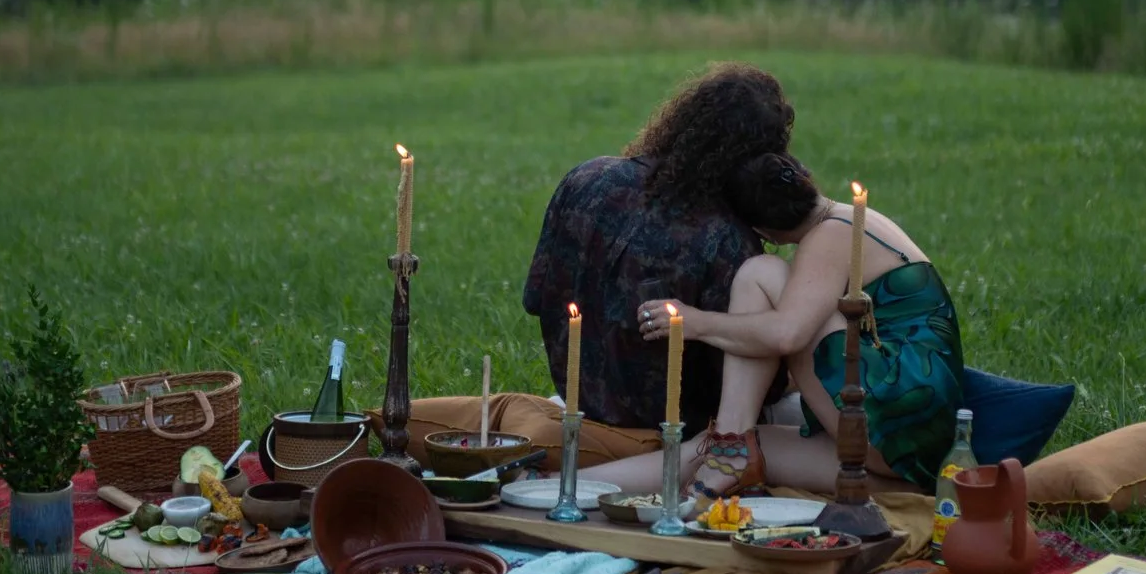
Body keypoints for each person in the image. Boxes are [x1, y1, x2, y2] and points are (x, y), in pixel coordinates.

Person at [404, 63, 795, 468]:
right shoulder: (729, 239)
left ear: (684, 120)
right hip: (673, 431)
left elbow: (535, 298)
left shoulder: (586, 178)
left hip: (579, 402)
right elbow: (747, 384)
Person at [585, 151, 965, 512]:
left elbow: (788, 334)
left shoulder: (831, 236)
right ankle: (566, 485)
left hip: (890, 414)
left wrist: (695, 322)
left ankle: (730, 444)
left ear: (763, 231)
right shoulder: (851, 218)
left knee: (760, 273)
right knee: (728, 448)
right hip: (914, 448)